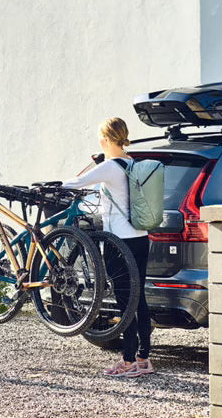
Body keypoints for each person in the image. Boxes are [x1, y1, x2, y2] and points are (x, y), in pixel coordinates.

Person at [63, 117, 154, 378]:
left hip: (119, 242)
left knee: (126, 301)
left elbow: (76, 183)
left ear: (105, 139)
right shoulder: (131, 164)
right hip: (140, 238)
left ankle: (127, 361)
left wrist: (53, 185)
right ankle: (144, 358)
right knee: (139, 299)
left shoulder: (110, 167)